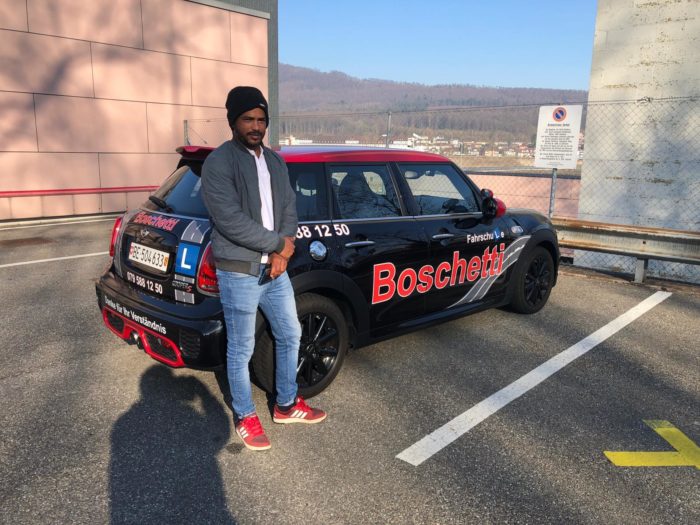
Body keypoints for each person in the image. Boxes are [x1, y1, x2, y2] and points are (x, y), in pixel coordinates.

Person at [201, 86, 326, 451]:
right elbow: (229, 220)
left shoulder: (274, 161)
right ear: (233, 122)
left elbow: (288, 207)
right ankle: (245, 415)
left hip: (275, 270)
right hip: (239, 272)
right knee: (241, 348)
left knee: (290, 333)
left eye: (261, 120)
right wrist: (277, 245)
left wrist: (282, 251)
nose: (256, 126)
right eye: (248, 119)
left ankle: (286, 404)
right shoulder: (219, 163)